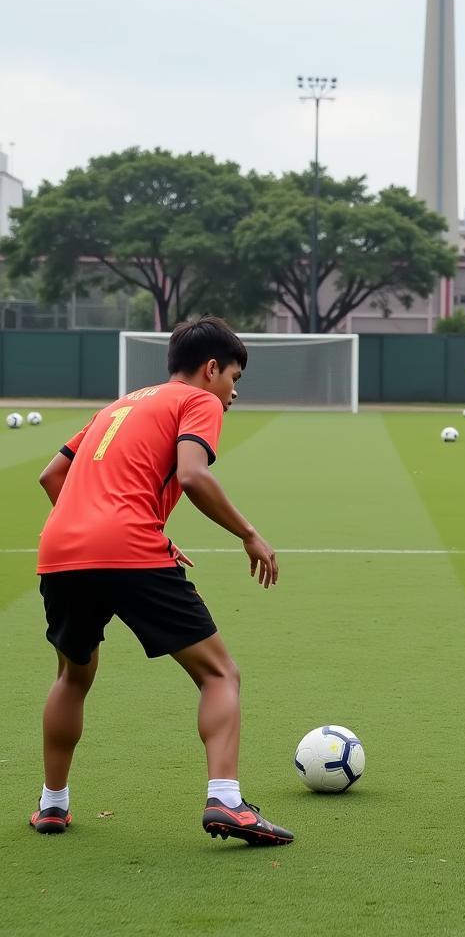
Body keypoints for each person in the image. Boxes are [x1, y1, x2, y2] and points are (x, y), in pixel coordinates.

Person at [30, 316, 293, 845]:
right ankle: (226, 800)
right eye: (233, 378)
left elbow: (51, 476)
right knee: (220, 674)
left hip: (60, 550)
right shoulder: (199, 401)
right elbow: (194, 474)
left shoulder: (119, 405)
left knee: (72, 676)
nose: (233, 393)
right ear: (210, 368)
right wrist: (249, 534)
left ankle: (52, 806)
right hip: (128, 548)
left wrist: (96, 525)